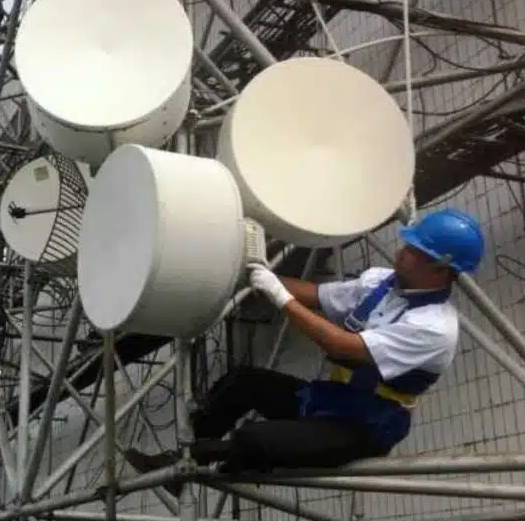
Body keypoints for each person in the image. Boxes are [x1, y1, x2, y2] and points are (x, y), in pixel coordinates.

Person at [125, 208, 485, 494]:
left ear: (441, 269)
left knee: (255, 439)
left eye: (414, 252)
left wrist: (279, 298)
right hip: (329, 397)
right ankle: (181, 457)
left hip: (367, 425)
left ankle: (198, 461)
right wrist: (252, 272)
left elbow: (341, 345)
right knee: (243, 383)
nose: (401, 252)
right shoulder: (380, 283)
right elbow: (316, 295)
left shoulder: (434, 327)